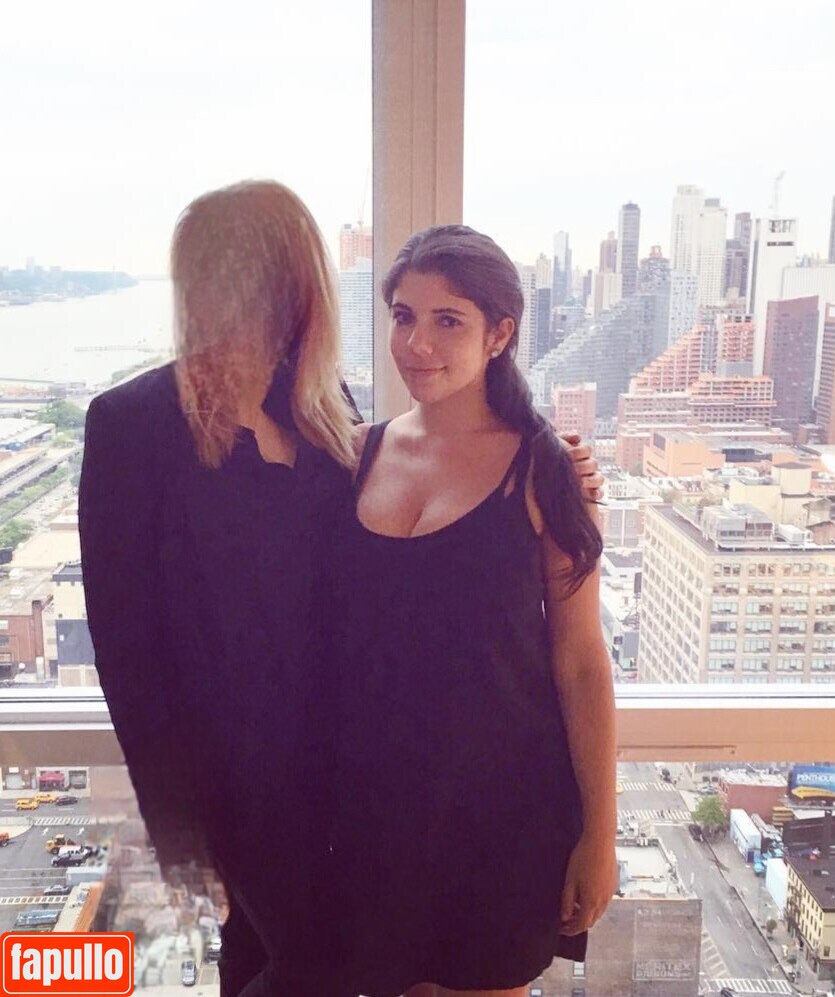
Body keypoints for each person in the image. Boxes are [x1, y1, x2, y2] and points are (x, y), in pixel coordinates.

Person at [78, 182, 604, 997]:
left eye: (262, 272)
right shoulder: (134, 422)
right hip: (238, 796)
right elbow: (126, 654)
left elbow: (548, 644)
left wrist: (558, 470)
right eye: (404, 316)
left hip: (365, 794)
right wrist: (180, 839)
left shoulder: (325, 411)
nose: (241, 296)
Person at [327, 224, 619, 997]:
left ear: (500, 334)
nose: (416, 343)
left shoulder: (546, 471)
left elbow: (581, 663)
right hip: (368, 819)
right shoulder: (352, 456)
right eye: (402, 316)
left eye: (447, 320)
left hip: (502, 821)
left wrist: (600, 834)